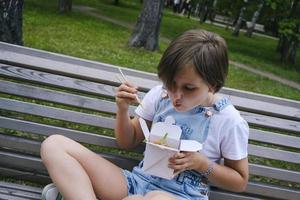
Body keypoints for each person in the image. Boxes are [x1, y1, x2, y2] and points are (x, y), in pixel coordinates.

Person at [41, 29, 249, 200]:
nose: (176, 95)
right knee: (54, 144)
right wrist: (123, 109)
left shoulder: (229, 121)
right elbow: (128, 141)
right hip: (136, 182)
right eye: (171, 84)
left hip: (183, 195)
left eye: (188, 88)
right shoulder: (159, 96)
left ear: (212, 84)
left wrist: (202, 164)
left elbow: (240, 181)